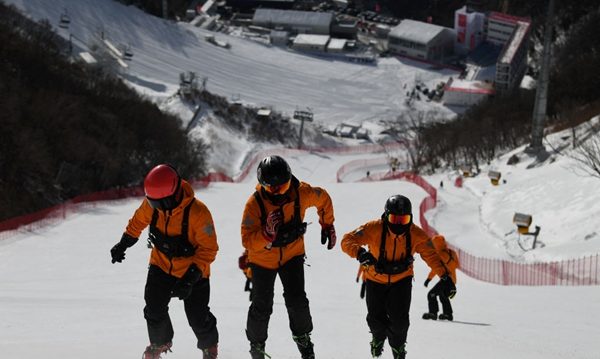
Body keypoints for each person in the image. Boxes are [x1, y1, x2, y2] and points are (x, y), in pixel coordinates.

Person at [110, 164, 219, 359]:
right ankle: (159, 342)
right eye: (154, 204)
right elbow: (138, 221)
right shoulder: (153, 205)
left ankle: (209, 347)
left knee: (197, 317)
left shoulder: (199, 213)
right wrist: (123, 243)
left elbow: (209, 249)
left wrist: (189, 279)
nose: (158, 208)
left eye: (162, 203)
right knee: (153, 307)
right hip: (161, 265)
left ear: (175, 194)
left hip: (193, 270)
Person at [241, 155, 336, 359]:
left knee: (297, 300)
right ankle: (256, 346)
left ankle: (304, 340)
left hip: (292, 255)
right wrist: (266, 234)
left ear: (289, 181)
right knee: (262, 306)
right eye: (272, 189)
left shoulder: (301, 193)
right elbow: (247, 240)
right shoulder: (254, 204)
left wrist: (327, 224)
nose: (278, 193)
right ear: (262, 186)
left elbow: (324, 198)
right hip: (262, 260)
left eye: (282, 187)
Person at [341, 195, 452, 359]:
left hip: (402, 281)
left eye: (404, 219)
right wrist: (360, 252)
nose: (399, 224)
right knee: (375, 320)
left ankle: (398, 347)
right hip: (375, 280)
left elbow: (431, 256)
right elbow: (347, 240)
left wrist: (445, 277)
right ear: (386, 216)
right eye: (395, 219)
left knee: (400, 323)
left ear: (410, 218)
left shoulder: (417, 234)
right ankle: (378, 339)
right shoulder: (373, 228)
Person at [422, 235, 459, 321]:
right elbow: (456, 265)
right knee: (443, 295)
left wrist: (429, 279)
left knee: (431, 294)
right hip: (452, 279)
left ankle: (433, 313)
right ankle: (448, 314)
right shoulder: (452, 252)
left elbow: (437, 268)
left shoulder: (440, 254)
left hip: (445, 279)